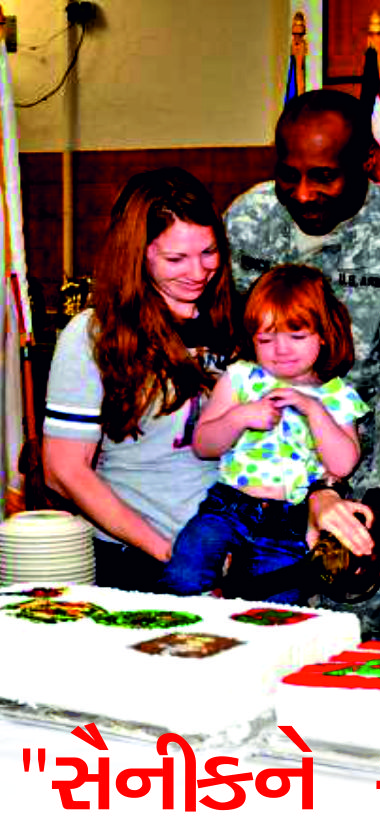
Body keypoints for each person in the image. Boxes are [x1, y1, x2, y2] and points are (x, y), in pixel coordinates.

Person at [225, 88, 380, 560]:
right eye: (288, 175)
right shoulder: (248, 221)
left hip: (368, 466)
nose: (302, 194)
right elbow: (227, 346)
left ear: (367, 164)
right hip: (257, 466)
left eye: (324, 177)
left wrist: (377, 503)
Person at [43, 167, 239, 592]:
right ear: (137, 254)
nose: (198, 271)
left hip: (235, 556)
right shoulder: (93, 334)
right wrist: (171, 553)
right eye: (175, 259)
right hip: (140, 560)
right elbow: (63, 470)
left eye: (209, 252)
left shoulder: (236, 323)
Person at [162, 264, 369, 603]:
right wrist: (238, 417)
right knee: (185, 571)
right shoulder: (241, 379)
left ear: (323, 334)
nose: (281, 349)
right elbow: (203, 445)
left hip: (291, 517)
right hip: (229, 504)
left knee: (277, 600)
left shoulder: (337, 396)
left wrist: (314, 410)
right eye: (265, 339)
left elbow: (344, 465)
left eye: (296, 337)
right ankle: (198, 622)